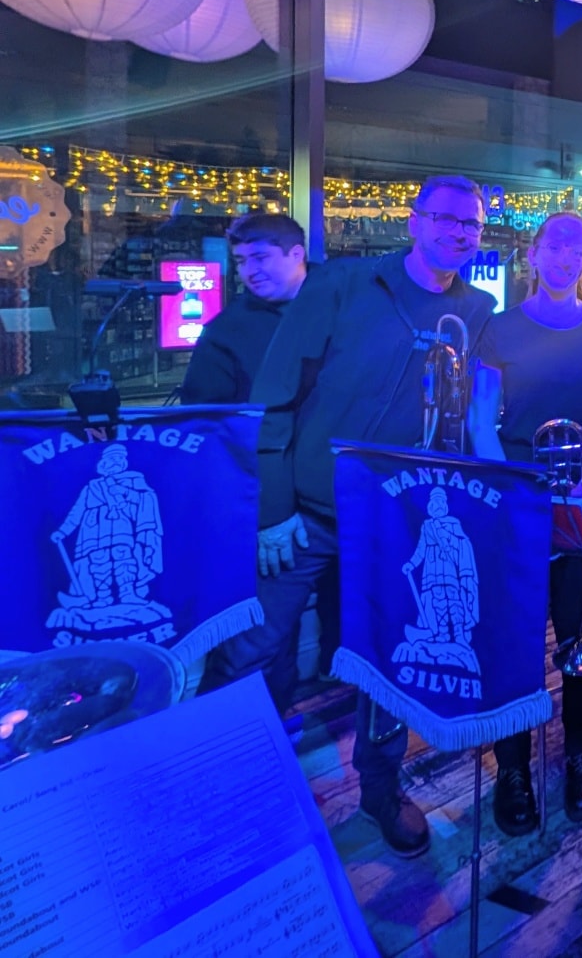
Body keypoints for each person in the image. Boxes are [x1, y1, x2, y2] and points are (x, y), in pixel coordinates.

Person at [211, 176, 496, 859]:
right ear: (415, 219)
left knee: (385, 666)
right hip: (304, 514)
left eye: (473, 225)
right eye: (448, 219)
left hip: (392, 522)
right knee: (253, 652)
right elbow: (275, 399)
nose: (460, 233)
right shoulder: (342, 284)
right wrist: (273, 510)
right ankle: (236, 794)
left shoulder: (478, 307)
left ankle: (379, 788)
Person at [471, 211, 582, 832]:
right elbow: (481, 420)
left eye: (576, 249)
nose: (564, 257)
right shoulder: (499, 328)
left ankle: (581, 752)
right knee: (516, 641)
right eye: (554, 245)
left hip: (580, 503)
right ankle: (513, 766)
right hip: (519, 503)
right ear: (534, 251)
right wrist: (513, 489)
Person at [179, 212, 308, 403]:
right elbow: (204, 415)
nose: (250, 271)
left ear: (296, 254)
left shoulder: (344, 307)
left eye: (260, 258)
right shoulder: (224, 331)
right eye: (241, 261)